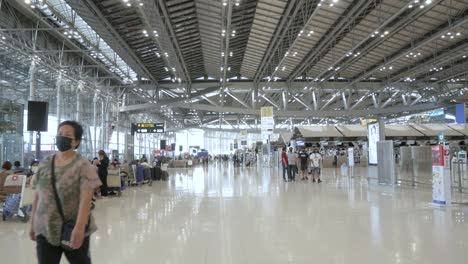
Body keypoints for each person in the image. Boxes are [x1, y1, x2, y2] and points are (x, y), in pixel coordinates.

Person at [29, 120, 102, 264]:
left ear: (76, 142)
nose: (62, 137)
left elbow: (86, 199)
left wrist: (79, 228)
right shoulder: (45, 163)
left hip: (71, 227)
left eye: (67, 135)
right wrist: (33, 223)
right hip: (45, 228)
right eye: (59, 134)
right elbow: (38, 194)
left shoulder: (83, 164)